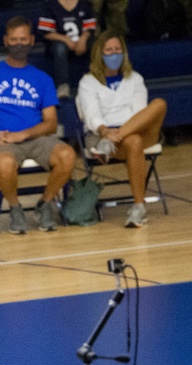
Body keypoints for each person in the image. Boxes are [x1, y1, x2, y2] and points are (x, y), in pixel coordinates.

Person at [0, 16, 76, 235]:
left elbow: (51, 124)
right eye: (14, 39)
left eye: (24, 38)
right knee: (4, 162)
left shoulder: (42, 78)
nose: (19, 43)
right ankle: (15, 208)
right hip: (1, 142)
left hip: (37, 139)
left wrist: (22, 135)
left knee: (68, 155)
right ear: (5, 41)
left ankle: (45, 204)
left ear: (32, 40)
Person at [76, 32, 167, 228]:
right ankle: (138, 207)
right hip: (102, 134)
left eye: (117, 50)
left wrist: (118, 134)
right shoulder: (88, 82)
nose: (114, 54)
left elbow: (140, 113)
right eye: (109, 50)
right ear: (99, 54)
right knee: (133, 142)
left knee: (159, 104)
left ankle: (114, 140)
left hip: (134, 130)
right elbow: (91, 115)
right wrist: (106, 132)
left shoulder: (135, 78)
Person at [37, 0, 97, 99]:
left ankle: (94, 80)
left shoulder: (84, 3)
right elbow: (46, 32)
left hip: (80, 40)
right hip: (57, 43)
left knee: (96, 45)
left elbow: (90, 27)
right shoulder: (50, 5)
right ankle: (63, 84)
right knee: (60, 48)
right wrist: (65, 40)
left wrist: (83, 39)